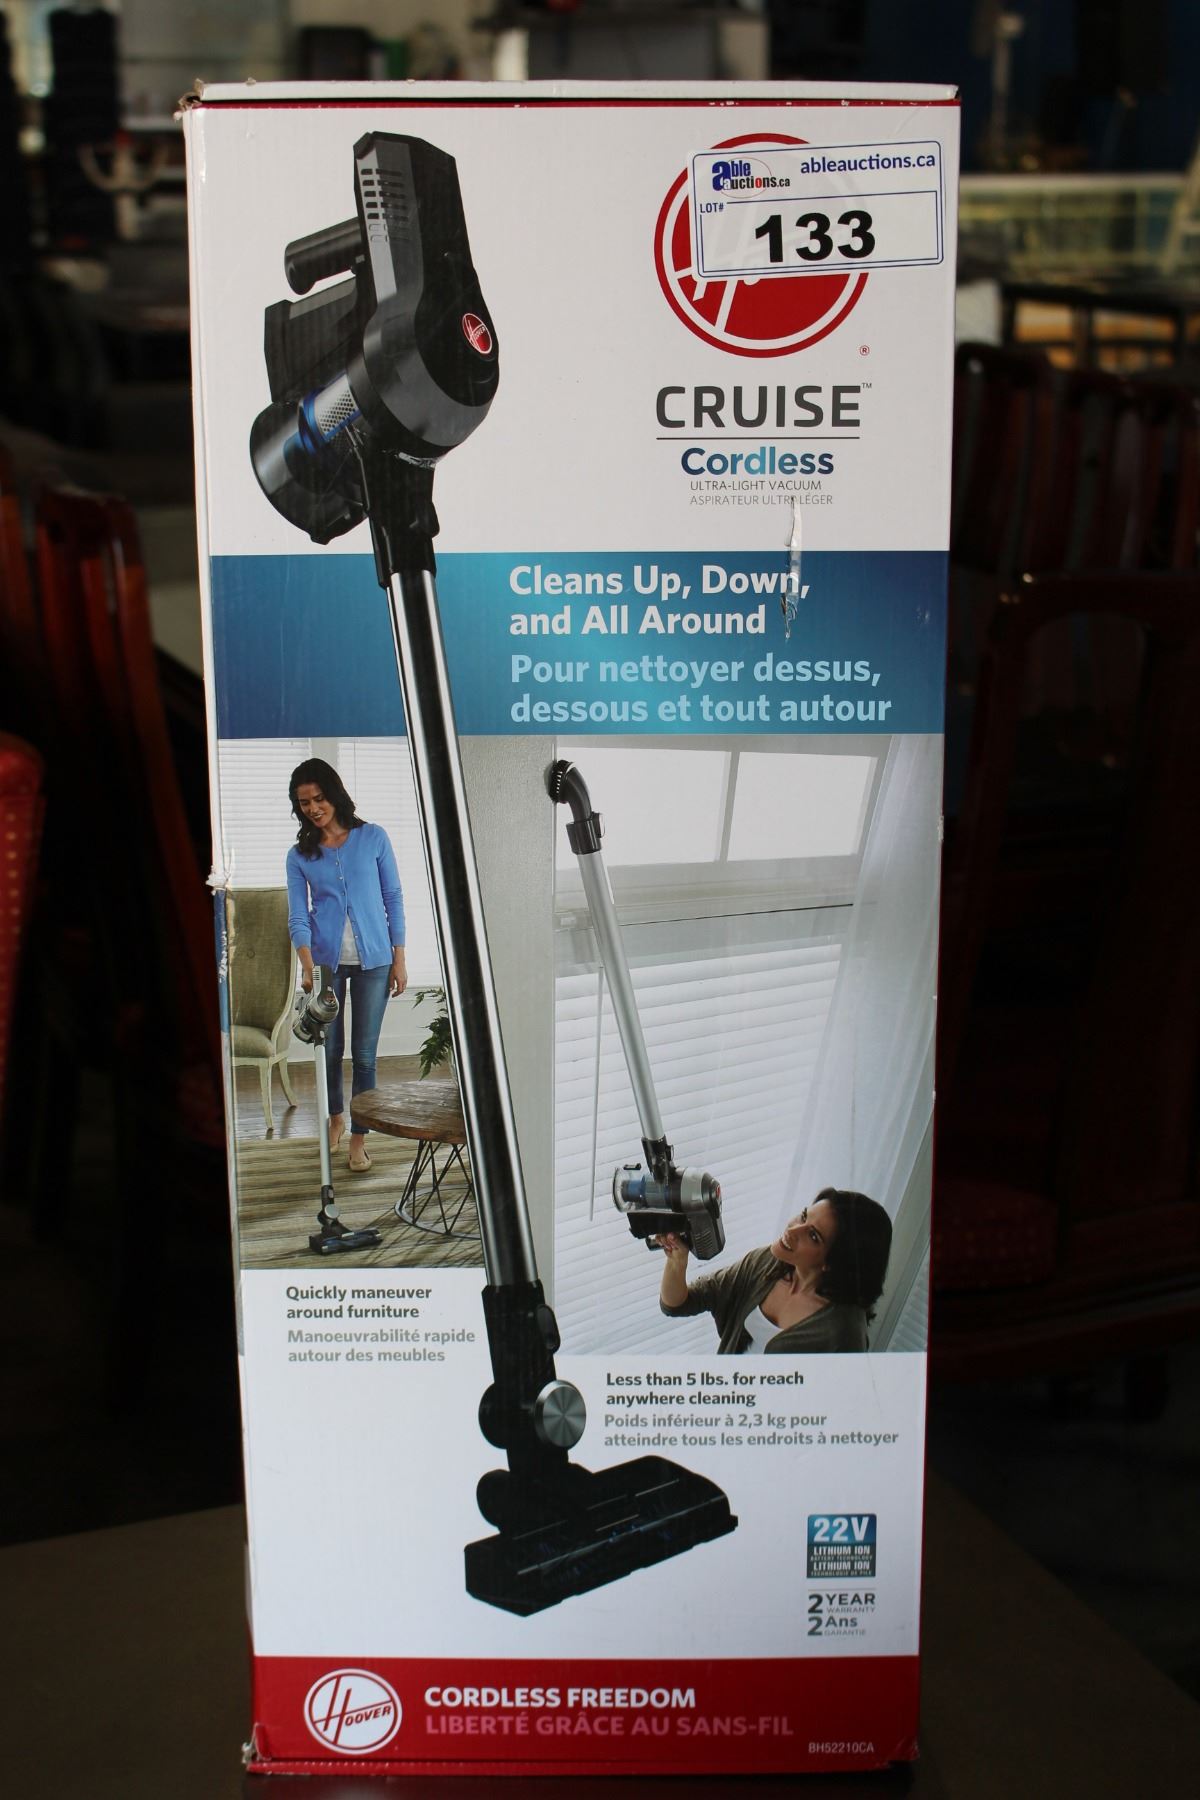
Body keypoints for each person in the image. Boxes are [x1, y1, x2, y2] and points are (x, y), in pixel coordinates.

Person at [285, 758, 407, 1172]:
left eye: (319, 798)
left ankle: (359, 1136)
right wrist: (308, 966)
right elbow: (298, 916)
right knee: (330, 1050)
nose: (313, 808)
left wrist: (399, 957)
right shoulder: (299, 856)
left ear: (334, 794)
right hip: (326, 964)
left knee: (365, 1054)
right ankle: (335, 1118)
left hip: (376, 961)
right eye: (304, 802)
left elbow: (393, 897)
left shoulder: (373, 837)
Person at [659, 1188, 892, 1353]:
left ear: (833, 1262)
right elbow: (679, 1303)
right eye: (803, 1216)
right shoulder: (764, 1263)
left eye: (813, 1235)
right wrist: (677, 1262)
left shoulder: (845, 1334)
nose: (793, 1230)